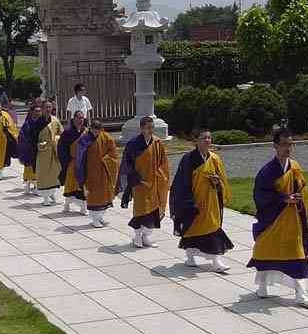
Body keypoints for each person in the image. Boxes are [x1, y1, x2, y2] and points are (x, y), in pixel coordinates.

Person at [247, 128, 308, 308]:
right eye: (284, 144)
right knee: (266, 251)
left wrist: (299, 198)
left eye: (290, 144)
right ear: (275, 146)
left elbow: (302, 187)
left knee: (297, 255)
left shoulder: (295, 166)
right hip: (273, 220)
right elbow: (260, 195)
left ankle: (301, 295)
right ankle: (262, 287)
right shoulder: (267, 171)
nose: (288, 148)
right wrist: (283, 198)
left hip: (293, 220)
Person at [169, 129, 234, 273]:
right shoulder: (188, 159)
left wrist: (217, 183)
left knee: (213, 228)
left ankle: (216, 260)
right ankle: (190, 256)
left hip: (211, 202)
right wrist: (190, 203)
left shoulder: (215, 159)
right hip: (195, 203)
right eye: (203, 138)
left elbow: (222, 181)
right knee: (193, 230)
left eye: (209, 138)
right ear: (196, 141)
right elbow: (182, 183)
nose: (207, 141)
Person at [117, 116, 169, 248]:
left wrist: (161, 175)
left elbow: (163, 163)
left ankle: (146, 236)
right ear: (141, 129)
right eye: (148, 128)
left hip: (155, 182)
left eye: (152, 128)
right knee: (141, 211)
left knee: (153, 212)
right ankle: (137, 236)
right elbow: (127, 164)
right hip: (139, 183)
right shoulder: (133, 144)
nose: (151, 130)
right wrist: (135, 177)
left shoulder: (157, 143)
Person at [76, 120, 118, 228]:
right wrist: (81, 173)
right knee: (93, 195)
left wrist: (106, 159)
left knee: (104, 195)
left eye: (97, 130)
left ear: (101, 129)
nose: (95, 132)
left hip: (103, 172)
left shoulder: (106, 138)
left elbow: (113, 153)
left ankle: (100, 217)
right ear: (90, 129)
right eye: (94, 130)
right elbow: (80, 158)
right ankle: (94, 219)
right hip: (90, 172)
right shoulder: (84, 140)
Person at [57, 110, 88, 214]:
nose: (80, 120)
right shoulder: (68, 132)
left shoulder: (86, 132)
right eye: (78, 118)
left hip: (83, 163)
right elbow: (61, 148)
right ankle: (67, 203)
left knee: (83, 184)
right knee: (70, 183)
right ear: (73, 119)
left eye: (82, 118)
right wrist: (66, 161)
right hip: (72, 162)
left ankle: (83, 207)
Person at [35, 100, 63, 206]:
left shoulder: (55, 120)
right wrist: (37, 144)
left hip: (54, 151)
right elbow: (32, 138)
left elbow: (61, 132)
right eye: (46, 107)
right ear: (42, 109)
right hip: (42, 152)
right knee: (43, 174)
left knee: (54, 174)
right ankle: (45, 197)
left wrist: (57, 138)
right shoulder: (37, 122)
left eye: (49, 107)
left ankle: (51, 193)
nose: (48, 109)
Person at [17, 102, 41, 195]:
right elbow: (23, 137)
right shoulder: (27, 124)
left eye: (39, 111)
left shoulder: (43, 123)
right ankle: (29, 185)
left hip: (40, 149)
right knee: (29, 168)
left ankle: (36, 186)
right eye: (36, 111)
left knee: (38, 169)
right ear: (32, 112)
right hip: (30, 150)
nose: (38, 113)